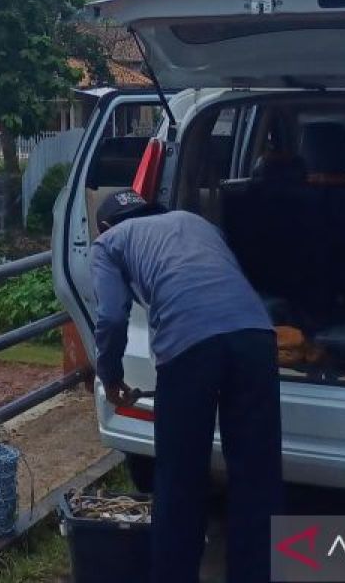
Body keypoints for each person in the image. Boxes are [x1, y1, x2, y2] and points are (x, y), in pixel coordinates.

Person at [91, 189, 282, 583]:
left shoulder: (108, 242)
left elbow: (111, 317)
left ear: (105, 226)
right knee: (256, 477)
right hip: (256, 337)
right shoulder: (197, 223)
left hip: (189, 346)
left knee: (180, 478)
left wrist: (110, 376)